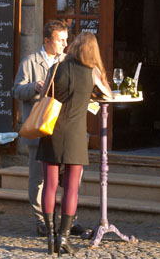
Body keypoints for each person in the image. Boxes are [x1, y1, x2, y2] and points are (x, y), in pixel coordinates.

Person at [36, 32, 112, 255]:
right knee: (71, 188)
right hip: (76, 134)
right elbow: (108, 95)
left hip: (51, 130)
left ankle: (50, 237)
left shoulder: (57, 67)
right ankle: (64, 238)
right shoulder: (92, 72)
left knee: (49, 185)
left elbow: (43, 96)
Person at [12, 20, 68, 236]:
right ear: (46, 41)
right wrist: (33, 87)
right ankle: (42, 219)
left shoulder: (67, 61)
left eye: (66, 39)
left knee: (65, 177)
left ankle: (65, 219)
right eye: (60, 40)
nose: (65, 44)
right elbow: (16, 91)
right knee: (38, 178)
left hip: (61, 128)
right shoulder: (30, 62)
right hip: (38, 127)